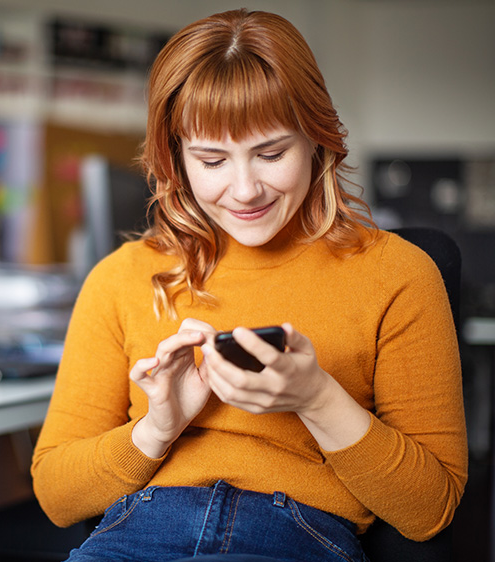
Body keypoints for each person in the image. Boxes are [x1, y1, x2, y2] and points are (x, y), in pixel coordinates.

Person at [31, 9, 467, 562]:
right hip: (138, 532)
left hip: (295, 537)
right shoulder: (119, 277)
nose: (244, 189)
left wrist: (316, 398)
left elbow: (430, 510)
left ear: (317, 137)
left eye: (271, 153)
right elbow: (56, 495)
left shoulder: (399, 275)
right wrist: (157, 427)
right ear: (177, 158)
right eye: (212, 160)